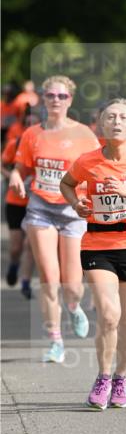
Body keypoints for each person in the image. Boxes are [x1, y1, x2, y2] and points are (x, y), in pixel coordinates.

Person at [60, 98, 126, 410]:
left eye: (123, 118)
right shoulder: (87, 161)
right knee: (108, 315)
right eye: (110, 117)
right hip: (97, 244)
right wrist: (76, 204)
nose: (116, 122)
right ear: (101, 125)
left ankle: (121, 377)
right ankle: (103, 377)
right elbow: (67, 184)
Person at [9, 75, 99, 362]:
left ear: (70, 99)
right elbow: (21, 167)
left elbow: (97, 171)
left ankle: (73, 307)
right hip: (41, 208)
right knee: (49, 278)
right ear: (43, 99)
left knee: (72, 284)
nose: (56, 100)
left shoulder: (84, 134)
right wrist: (15, 177)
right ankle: (55, 341)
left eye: (62, 96)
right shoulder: (32, 134)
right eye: (50, 95)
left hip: (73, 210)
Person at [1, 113, 36, 297]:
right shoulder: (14, 144)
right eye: (28, 124)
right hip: (15, 202)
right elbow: (2, 165)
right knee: (16, 248)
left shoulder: (46, 146)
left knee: (30, 244)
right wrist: (13, 177)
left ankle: (26, 282)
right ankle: (14, 265)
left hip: (36, 204)